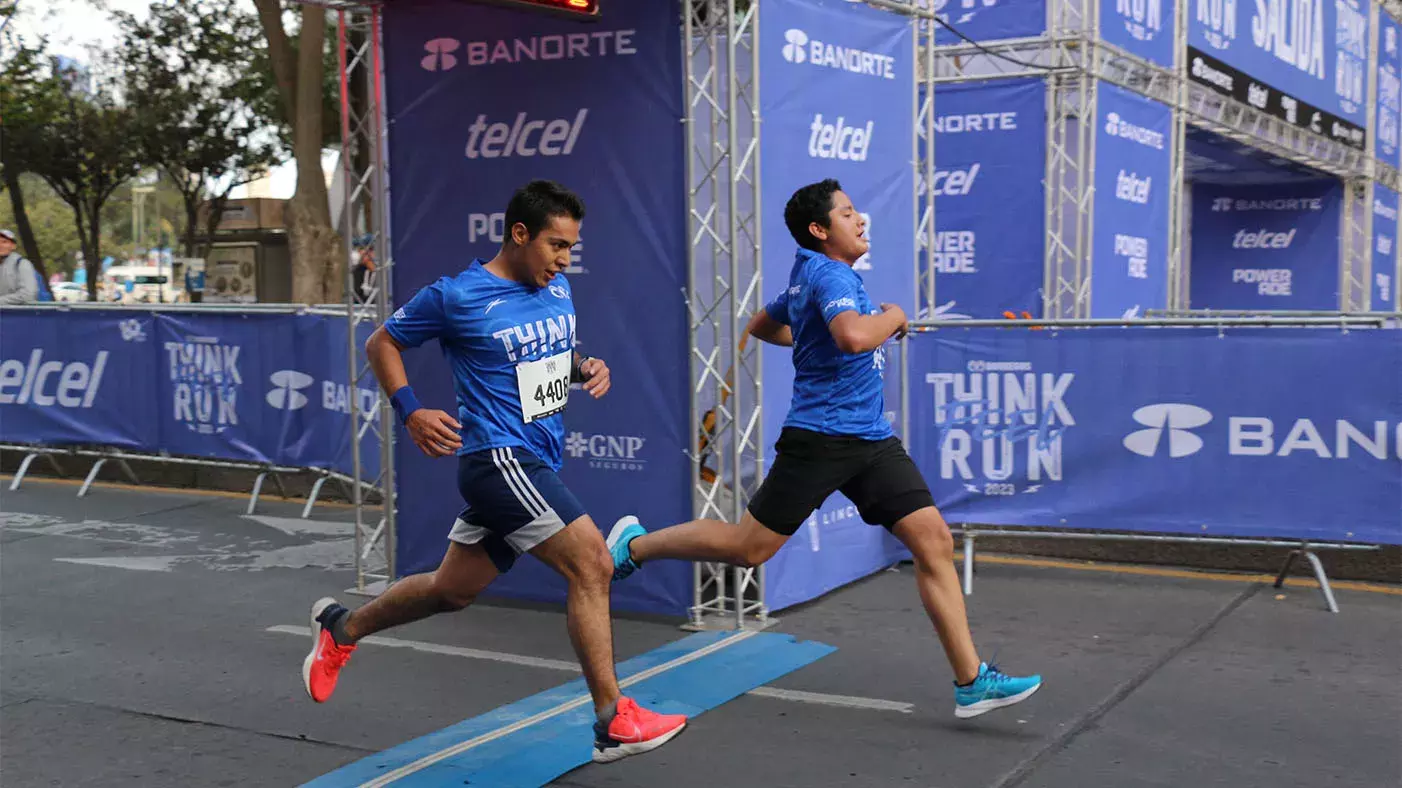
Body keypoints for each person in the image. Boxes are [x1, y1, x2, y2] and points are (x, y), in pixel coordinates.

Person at [605, 179, 1043, 719]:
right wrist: (895, 315)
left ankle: (971, 680)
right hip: (822, 438)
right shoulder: (828, 272)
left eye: (858, 211)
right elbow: (855, 337)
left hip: (872, 441)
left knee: (932, 538)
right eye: (848, 213)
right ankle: (635, 546)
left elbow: (764, 325)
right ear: (820, 230)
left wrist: (816, 335)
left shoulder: (812, 274)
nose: (861, 220)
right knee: (749, 549)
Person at [301, 180, 688, 763]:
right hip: (499, 459)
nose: (563, 260)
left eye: (571, 249)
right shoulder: (458, 296)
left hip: (535, 459)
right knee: (593, 563)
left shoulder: (557, 291)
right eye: (556, 245)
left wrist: (586, 366)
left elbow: (553, 357)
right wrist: (410, 410)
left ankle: (341, 628)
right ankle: (612, 719)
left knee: (450, 591)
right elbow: (382, 342)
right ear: (519, 234)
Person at [0, 229, 39, 304]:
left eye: (4, 242)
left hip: (22, 314)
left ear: (13, 246)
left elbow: (28, 295)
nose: (0, 245)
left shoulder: (22, 264)